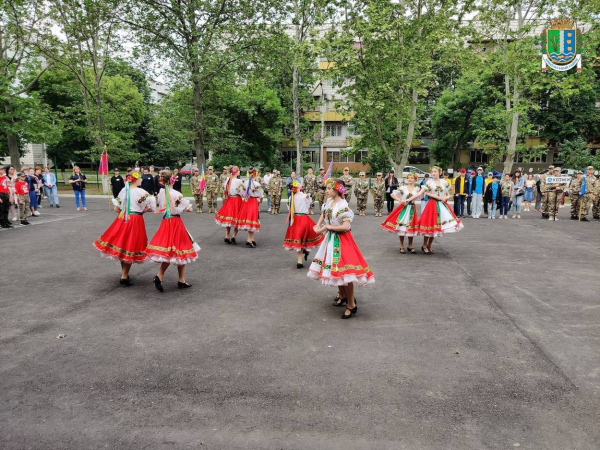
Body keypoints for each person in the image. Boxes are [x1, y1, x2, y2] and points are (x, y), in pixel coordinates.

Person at [308, 179, 375, 319]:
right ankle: (343, 295)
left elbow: (345, 226)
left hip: (342, 240)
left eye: (328, 188)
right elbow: (323, 213)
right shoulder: (329, 202)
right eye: (325, 188)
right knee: (334, 269)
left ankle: (351, 304)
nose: (326, 190)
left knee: (346, 273)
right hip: (331, 240)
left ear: (337, 189)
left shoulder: (343, 206)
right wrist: (318, 225)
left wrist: (328, 227)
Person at [94, 171, 156, 285]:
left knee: (123, 246)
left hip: (123, 218)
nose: (142, 180)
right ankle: (124, 276)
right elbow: (152, 205)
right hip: (136, 220)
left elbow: (116, 209)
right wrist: (143, 210)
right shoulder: (141, 192)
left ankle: (125, 274)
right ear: (136, 179)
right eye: (140, 178)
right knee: (130, 246)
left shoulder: (124, 190)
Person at [147, 170, 199, 292]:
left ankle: (175, 278)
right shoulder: (176, 193)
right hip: (175, 222)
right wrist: (187, 207)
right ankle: (168, 277)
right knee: (179, 249)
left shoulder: (161, 193)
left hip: (166, 222)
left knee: (173, 250)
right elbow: (188, 209)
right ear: (173, 180)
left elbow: (159, 207)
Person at [414, 166, 463, 254]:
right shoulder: (429, 182)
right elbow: (425, 192)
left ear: (440, 172)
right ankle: (424, 245)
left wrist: (446, 197)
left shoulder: (444, 182)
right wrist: (438, 197)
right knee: (429, 224)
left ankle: (429, 245)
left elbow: (447, 194)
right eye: (432, 172)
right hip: (432, 204)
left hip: (441, 205)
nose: (433, 173)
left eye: (435, 171)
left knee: (436, 226)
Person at [283, 181, 324, 268]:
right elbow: (309, 203)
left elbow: (289, 208)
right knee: (307, 236)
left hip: (295, 220)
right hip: (304, 219)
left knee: (299, 239)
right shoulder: (304, 196)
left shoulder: (291, 197)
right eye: (298, 183)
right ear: (297, 187)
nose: (300, 183)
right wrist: (308, 196)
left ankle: (300, 261)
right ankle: (306, 251)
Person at [381, 173, 420, 254]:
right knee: (401, 226)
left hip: (412, 208)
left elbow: (422, 195)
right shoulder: (403, 188)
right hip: (404, 208)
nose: (410, 179)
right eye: (408, 178)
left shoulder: (417, 189)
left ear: (415, 179)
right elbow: (392, 194)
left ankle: (410, 245)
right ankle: (401, 245)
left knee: (411, 226)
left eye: (412, 178)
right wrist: (400, 200)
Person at [215, 165, 244, 243]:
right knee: (237, 217)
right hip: (237, 200)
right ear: (236, 172)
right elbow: (242, 192)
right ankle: (234, 236)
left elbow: (225, 190)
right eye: (238, 170)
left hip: (230, 199)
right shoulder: (239, 181)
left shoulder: (227, 180)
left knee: (228, 218)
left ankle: (227, 235)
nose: (239, 172)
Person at [237, 167, 263, 247]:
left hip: (247, 201)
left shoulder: (244, 183)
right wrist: (260, 198)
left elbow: (241, 192)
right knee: (252, 219)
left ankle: (252, 238)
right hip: (253, 202)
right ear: (254, 174)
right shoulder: (256, 184)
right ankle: (249, 239)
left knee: (250, 219)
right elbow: (260, 195)